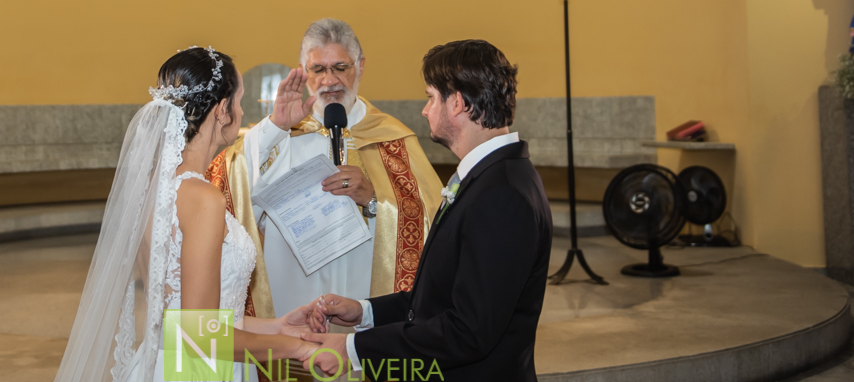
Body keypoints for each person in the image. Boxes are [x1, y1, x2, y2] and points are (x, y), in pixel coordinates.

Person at [54, 47, 323, 382]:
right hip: (200, 371)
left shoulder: (156, 190)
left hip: (171, 364)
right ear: (223, 110)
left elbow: (181, 315)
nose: (241, 111)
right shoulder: (202, 198)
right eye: (239, 100)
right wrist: (294, 348)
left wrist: (277, 326)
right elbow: (200, 335)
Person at [303, 39, 552, 382]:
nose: (425, 109)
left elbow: (468, 332)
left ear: (458, 104)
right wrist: (366, 311)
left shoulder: (502, 195)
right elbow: (443, 296)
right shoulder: (492, 176)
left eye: (431, 97)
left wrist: (352, 350)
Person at [206, 20, 444, 327]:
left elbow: (429, 221)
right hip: (291, 301)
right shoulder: (275, 137)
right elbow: (225, 183)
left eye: (340, 67)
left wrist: (374, 199)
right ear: (303, 70)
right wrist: (274, 127)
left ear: (360, 66)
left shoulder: (392, 139)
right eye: (318, 69)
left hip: (365, 304)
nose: (329, 80)